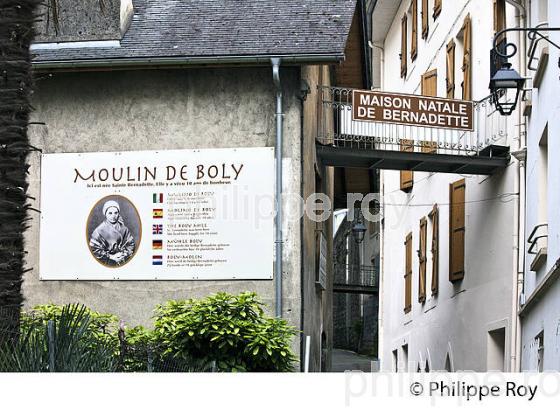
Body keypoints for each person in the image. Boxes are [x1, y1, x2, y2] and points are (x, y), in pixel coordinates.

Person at [89, 200, 135, 266]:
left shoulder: (124, 228)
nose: (113, 216)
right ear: (105, 214)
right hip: (106, 262)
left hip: (123, 260)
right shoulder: (98, 230)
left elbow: (131, 244)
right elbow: (94, 249)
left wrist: (123, 254)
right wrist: (111, 256)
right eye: (110, 213)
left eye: (116, 213)